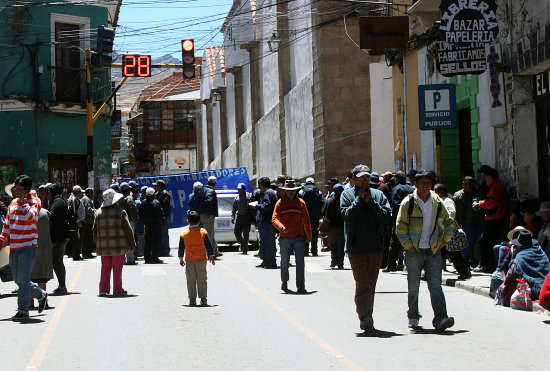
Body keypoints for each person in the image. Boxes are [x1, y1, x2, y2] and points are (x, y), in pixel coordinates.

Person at [396, 171, 455, 331]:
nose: (425, 185)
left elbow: (449, 221)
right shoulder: (408, 202)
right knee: (413, 286)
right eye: (422, 182)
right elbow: (400, 226)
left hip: (433, 251)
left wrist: (444, 240)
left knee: (435, 285)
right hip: (414, 251)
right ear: (415, 184)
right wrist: (408, 246)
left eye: (428, 182)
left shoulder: (436, 202)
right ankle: (413, 316)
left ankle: (441, 318)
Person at [340, 165, 391, 332]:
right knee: (362, 283)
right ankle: (364, 316)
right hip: (355, 247)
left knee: (370, 284)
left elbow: (385, 217)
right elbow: (346, 216)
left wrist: (371, 203)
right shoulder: (346, 195)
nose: (365, 180)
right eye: (361, 177)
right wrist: (359, 200)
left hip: (375, 246)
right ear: (353, 179)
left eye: (367, 177)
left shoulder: (378, 195)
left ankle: (368, 315)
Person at [0, 176, 48, 321]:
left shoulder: (35, 201)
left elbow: (31, 217)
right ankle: (41, 295)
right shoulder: (13, 203)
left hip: (28, 246)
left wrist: (24, 202)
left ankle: (23, 310)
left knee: (24, 279)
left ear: (27, 190)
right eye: (16, 188)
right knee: (18, 281)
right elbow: (7, 225)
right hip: (14, 247)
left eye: (20, 189)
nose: (17, 191)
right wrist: (1, 239)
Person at [94, 189, 136, 296]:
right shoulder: (120, 212)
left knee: (105, 267)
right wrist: (132, 244)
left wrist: (98, 243)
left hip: (103, 247)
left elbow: (94, 230)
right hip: (118, 247)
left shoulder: (98, 213)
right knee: (117, 268)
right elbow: (128, 230)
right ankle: (117, 289)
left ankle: (103, 290)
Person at [272, 179, 312, 293]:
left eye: (293, 190)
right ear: (284, 191)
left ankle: (300, 286)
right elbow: (274, 219)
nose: (291, 192)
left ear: (296, 191)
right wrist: (281, 227)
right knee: (284, 262)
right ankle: (284, 281)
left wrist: (309, 235)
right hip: (284, 237)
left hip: (298, 236)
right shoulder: (280, 203)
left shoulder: (301, 203)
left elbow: (306, 220)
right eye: (288, 190)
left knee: (300, 262)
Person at [498, 230, 550, 306]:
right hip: (544, 289)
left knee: (509, 285)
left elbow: (511, 274)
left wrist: (504, 284)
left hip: (530, 291)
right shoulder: (540, 252)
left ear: (519, 246)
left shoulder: (521, 256)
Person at [473, 167, 508, 273]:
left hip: (494, 219)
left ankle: (488, 265)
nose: (484, 178)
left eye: (486, 176)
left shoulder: (495, 187)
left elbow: (492, 203)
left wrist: (480, 204)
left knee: (486, 243)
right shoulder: (496, 186)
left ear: (490, 177)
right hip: (496, 219)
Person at [178, 211, 215, 306]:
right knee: (202, 278)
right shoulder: (203, 232)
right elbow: (209, 244)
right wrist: (211, 255)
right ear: (199, 222)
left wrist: (181, 258)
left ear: (188, 222)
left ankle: (192, 299)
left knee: (190, 279)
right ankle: (203, 299)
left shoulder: (184, 233)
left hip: (190, 259)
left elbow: (181, 247)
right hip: (201, 259)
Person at [434, 183, 471, 279]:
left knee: (454, 253)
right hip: (440, 232)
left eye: (436, 190)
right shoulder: (438, 201)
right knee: (436, 253)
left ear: (441, 192)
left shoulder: (447, 201)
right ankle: (432, 273)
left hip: (448, 231)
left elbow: (451, 213)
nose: (434, 192)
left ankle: (465, 272)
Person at [383, 171, 414, 272]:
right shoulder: (411, 188)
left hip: (400, 219)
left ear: (396, 180)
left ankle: (391, 265)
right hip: (412, 219)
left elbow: (395, 205)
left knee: (394, 243)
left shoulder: (396, 189)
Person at [46, 184, 70, 294]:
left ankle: (62, 286)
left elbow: (50, 215)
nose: (47, 196)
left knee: (57, 261)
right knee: (57, 261)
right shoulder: (60, 200)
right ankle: (62, 285)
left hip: (58, 237)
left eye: (48, 193)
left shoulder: (57, 202)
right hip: (61, 236)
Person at [30, 206, 53, 310]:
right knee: (42, 276)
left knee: (27, 276)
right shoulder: (45, 212)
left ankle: (29, 303)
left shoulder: (24, 212)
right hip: (44, 247)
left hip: (29, 247)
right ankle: (44, 302)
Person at [251, 176, 278, 269]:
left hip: (267, 222)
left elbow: (266, 206)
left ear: (261, 184)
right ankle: (265, 260)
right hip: (265, 222)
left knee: (268, 242)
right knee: (264, 242)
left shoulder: (268, 193)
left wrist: (257, 206)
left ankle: (271, 261)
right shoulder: (267, 192)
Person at [453, 176, 479, 264]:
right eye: (463, 184)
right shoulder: (458, 195)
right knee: (463, 243)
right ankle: (462, 260)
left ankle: (463, 259)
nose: (464, 186)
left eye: (467, 184)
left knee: (471, 242)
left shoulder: (477, 194)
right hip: (462, 223)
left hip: (474, 222)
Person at [299, 177, 325, 256]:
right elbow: (323, 203)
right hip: (315, 217)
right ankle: (314, 250)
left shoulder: (301, 191)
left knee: (305, 233)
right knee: (315, 234)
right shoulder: (318, 192)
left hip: (304, 216)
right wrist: (320, 214)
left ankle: (305, 250)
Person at [197, 176, 221, 257]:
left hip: (202, 214)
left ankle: (215, 251)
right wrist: (211, 212)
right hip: (207, 215)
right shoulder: (211, 191)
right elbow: (209, 201)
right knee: (209, 234)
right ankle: (210, 253)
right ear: (215, 184)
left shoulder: (203, 190)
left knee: (210, 233)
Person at [139, 187, 165, 264]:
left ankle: (147, 258)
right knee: (156, 242)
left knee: (147, 242)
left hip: (147, 226)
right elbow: (160, 214)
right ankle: (155, 258)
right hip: (156, 226)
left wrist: (144, 222)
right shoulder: (156, 202)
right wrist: (161, 223)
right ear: (153, 194)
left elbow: (140, 214)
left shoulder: (143, 202)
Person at [323, 183, 345, 269]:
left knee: (333, 244)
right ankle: (340, 263)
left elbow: (324, 212)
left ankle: (333, 261)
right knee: (341, 245)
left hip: (331, 227)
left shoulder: (330, 200)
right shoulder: (344, 200)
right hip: (342, 227)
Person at [119, 182, 139, 265]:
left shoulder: (118, 198)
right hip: (129, 221)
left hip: (119, 222)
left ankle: (121, 259)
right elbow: (132, 209)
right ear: (128, 190)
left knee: (121, 240)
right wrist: (135, 218)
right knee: (130, 240)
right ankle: (130, 259)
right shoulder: (129, 198)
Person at [232, 183, 252, 254]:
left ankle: (244, 249)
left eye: (240, 189)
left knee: (246, 233)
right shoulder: (237, 197)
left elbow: (254, 205)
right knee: (236, 232)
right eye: (238, 189)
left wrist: (249, 206)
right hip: (239, 216)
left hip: (247, 216)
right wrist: (233, 217)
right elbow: (234, 208)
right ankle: (244, 244)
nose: (239, 190)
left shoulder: (249, 196)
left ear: (244, 189)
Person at [154, 179, 172, 257]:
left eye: (156, 186)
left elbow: (166, 207)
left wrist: (163, 215)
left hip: (163, 216)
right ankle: (160, 249)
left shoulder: (165, 194)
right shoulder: (158, 194)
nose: (155, 187)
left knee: (164, 233)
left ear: (160, 186)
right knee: (160, 233)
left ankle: (165, 250)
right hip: (159, 216)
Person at [67, 185, 83, 261]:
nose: (82, 194)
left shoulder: (75, 199)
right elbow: (72, 212)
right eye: (80, 192)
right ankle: (75, 255)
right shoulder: (73, 200)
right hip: (74, 224)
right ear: (78, 192)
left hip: (76, 223)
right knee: (75, 239)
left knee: (76, 239)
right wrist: (77, 221)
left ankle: (76, 254)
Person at [79, 187, 96, 259]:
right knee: (87, 238)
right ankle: (86, 253)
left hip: (87, 222)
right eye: (92, 192)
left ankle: (86, 252)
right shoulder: (86, 199)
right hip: (87, 222)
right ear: (88, 192)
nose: (93, 194)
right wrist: (97, 211)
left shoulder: (85, 199)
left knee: (87, 238)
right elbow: (88, 210)